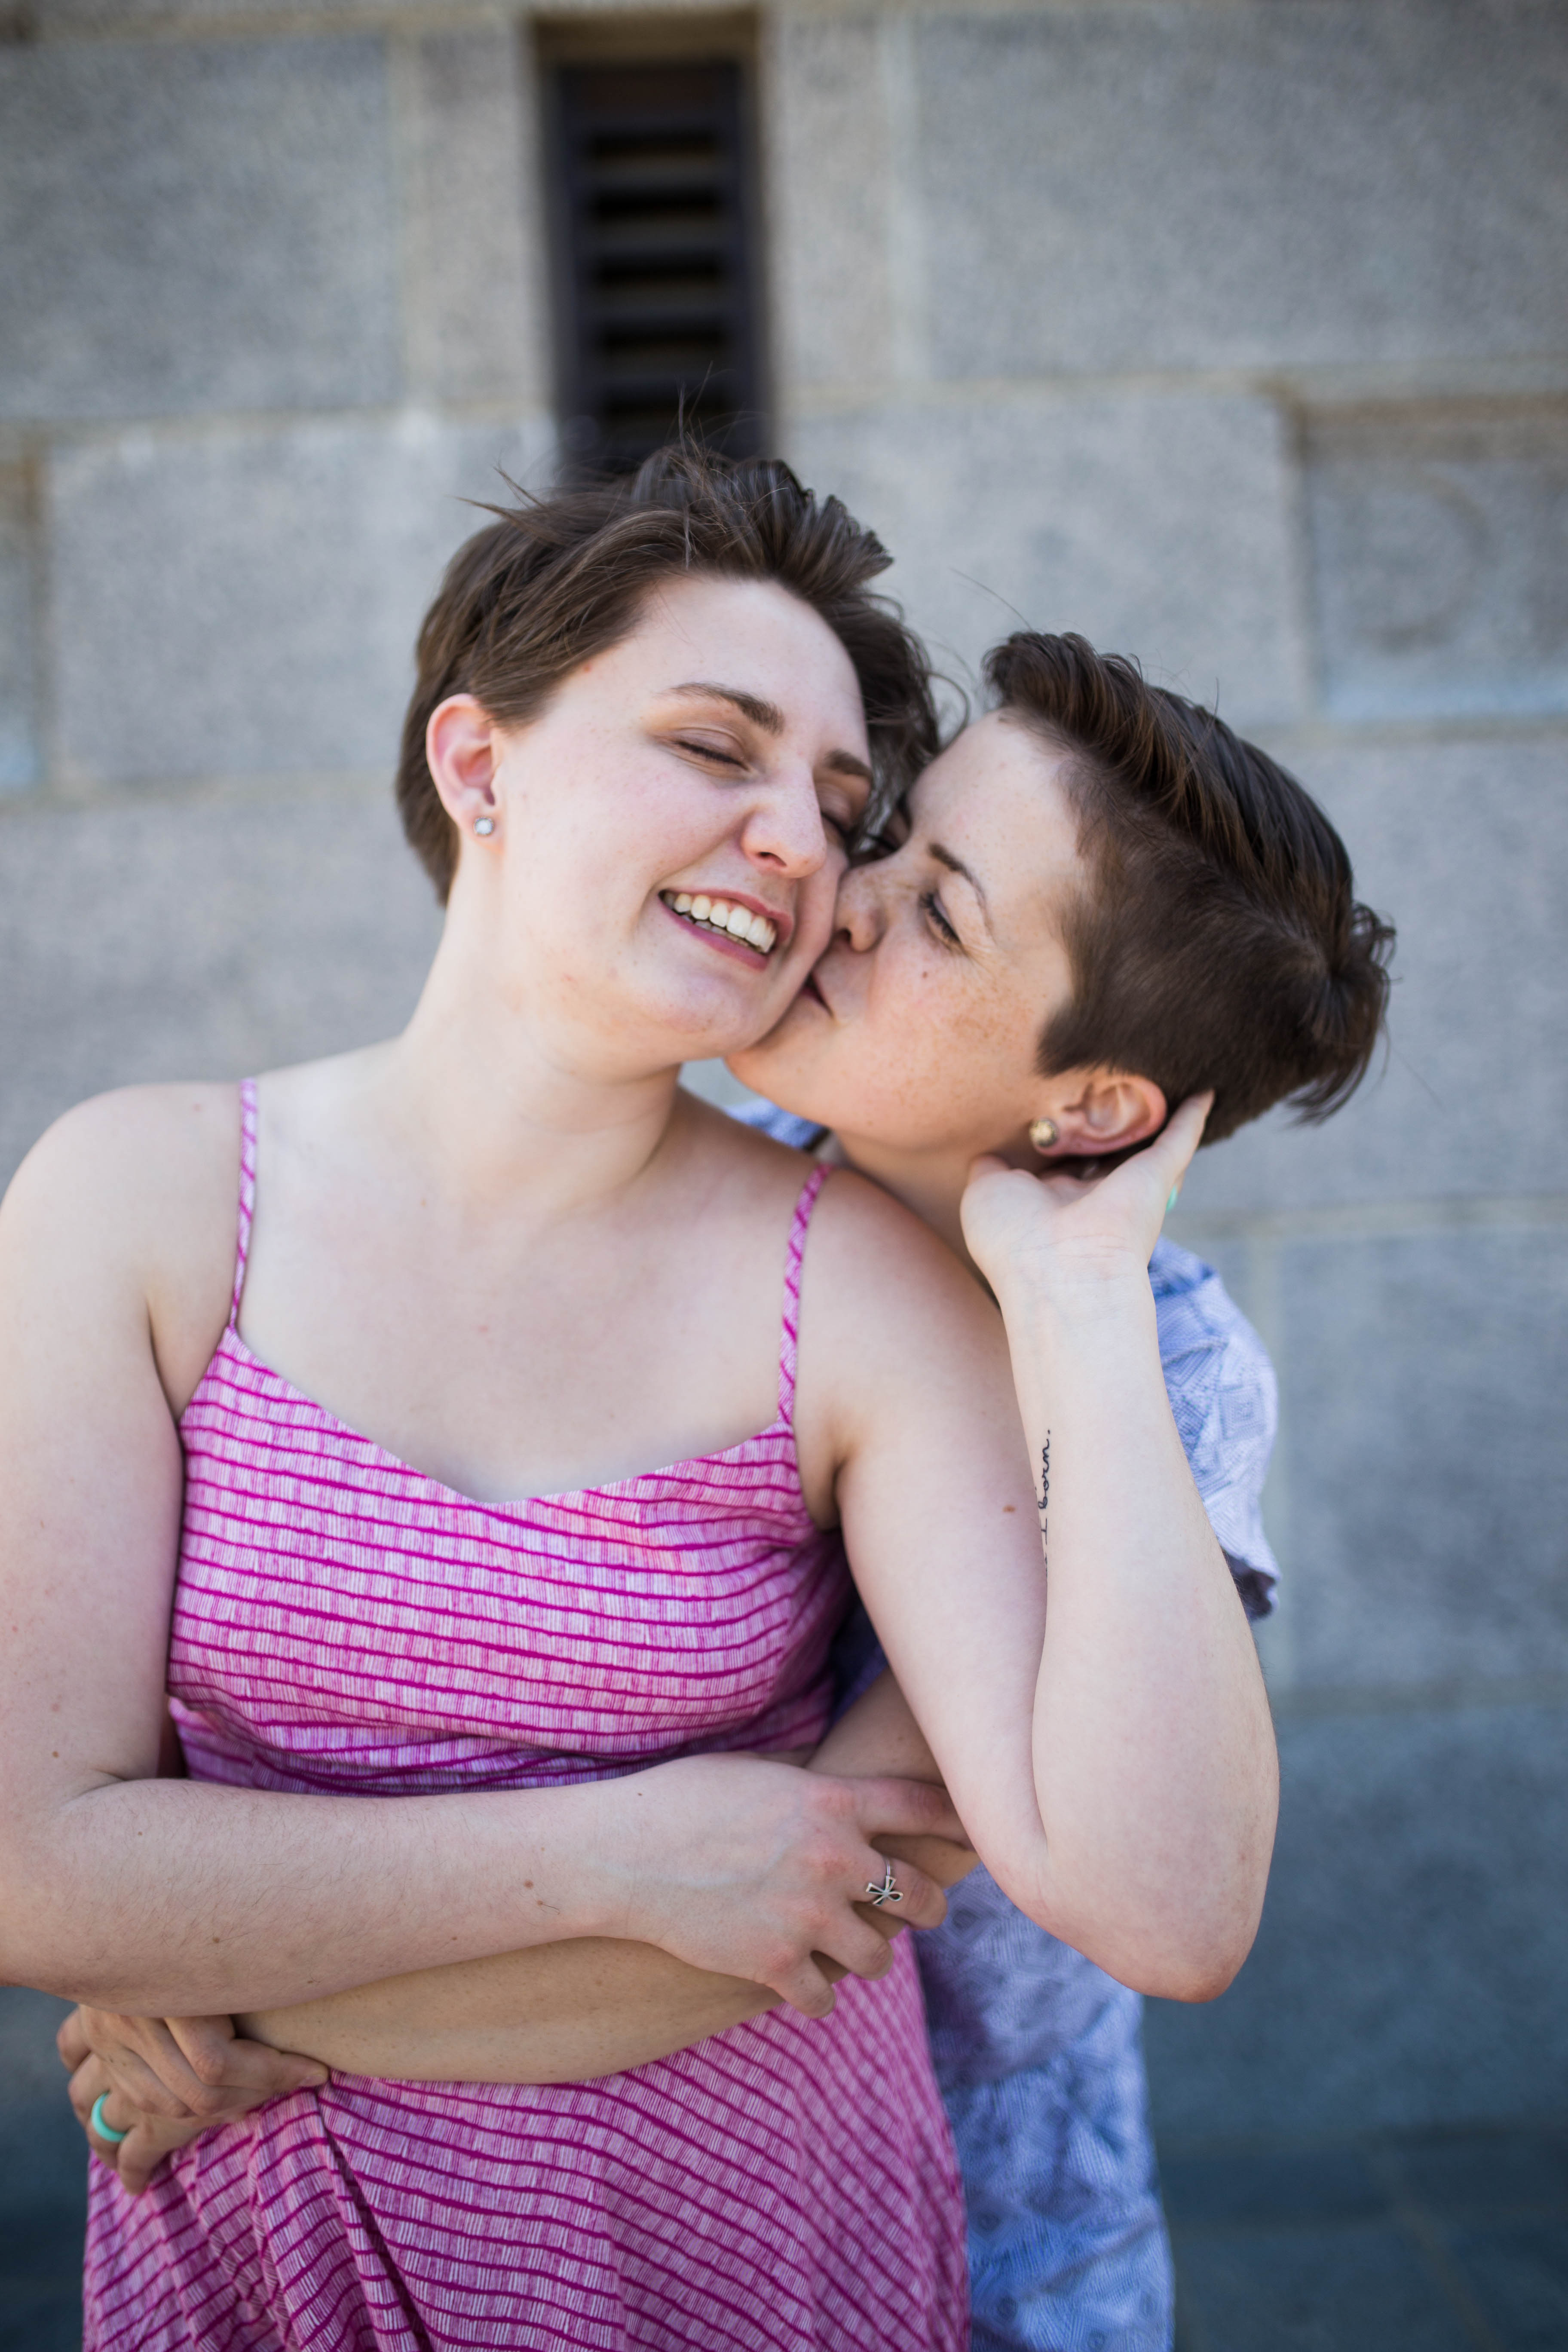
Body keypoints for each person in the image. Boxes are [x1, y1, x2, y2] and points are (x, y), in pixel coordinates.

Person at [0, 456, 1277, 2352]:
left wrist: (233, 1979)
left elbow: (986, 1891)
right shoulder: (140, 1199)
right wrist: (618, 1856)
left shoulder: (901, 1295)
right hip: (270, 2258)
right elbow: (36, 1860)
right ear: (477, 763)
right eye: (713, 746)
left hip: (801, 2228)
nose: (809, 859)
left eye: (853, 818)